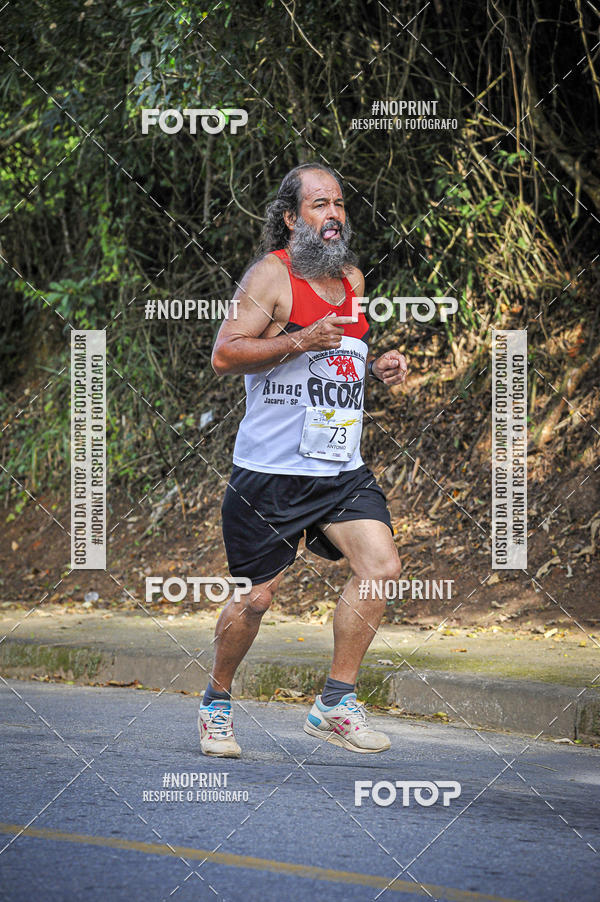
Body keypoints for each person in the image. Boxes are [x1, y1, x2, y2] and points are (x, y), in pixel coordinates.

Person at [198, 162, 407, 757]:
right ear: (292, 218)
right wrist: (296, 339)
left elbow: (340, 356)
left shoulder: (352, 280)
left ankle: (335, 703)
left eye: (339, 204)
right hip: (270, 472)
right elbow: (225, 353)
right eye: (319, 205)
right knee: (256, 598)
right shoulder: (271, 275)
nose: (333, 214)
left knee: (380, 568)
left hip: (337, 467)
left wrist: (376, 364)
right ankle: (216, 702)